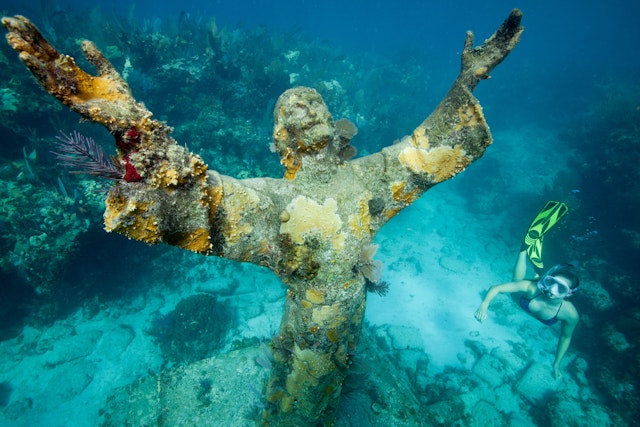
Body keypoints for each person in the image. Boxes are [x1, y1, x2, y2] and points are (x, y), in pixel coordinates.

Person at [474, 201, 580, 379]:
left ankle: (533, 261)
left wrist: (556, 363)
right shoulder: (532, 289)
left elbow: (565, 338)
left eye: (560, 288)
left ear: (569, 294)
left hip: (530, 292)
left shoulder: (570, 315)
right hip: (528, 291)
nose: (551, 290)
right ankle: (523, 250)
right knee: (518, 283)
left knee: (525, 282)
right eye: (551, 282)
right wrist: (484, 304)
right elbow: (497, 288)